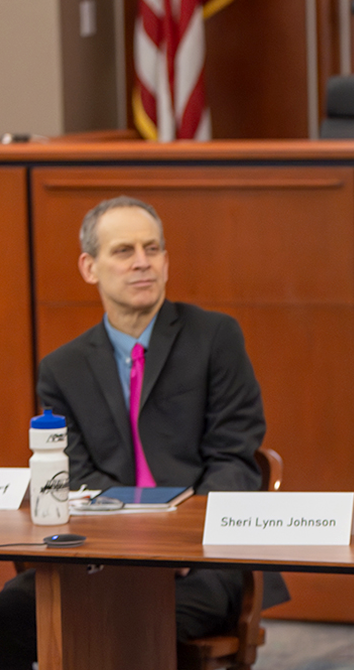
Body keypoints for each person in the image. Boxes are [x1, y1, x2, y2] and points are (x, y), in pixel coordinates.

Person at [0, 196, 289, 669]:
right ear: (89, 267)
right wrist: (129, 547)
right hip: (103, 558)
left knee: (136, 623)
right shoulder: (62, 368)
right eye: (124, 251)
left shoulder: (215, 338)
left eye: (152, 249)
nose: (142, 263)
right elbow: (73, 478)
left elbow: (233, 461)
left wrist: (179, 543)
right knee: (10, 611)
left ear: (166, 261)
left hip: (200, 560)